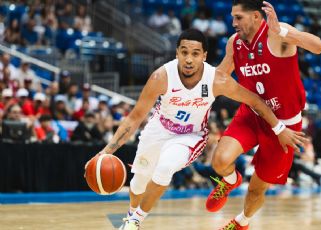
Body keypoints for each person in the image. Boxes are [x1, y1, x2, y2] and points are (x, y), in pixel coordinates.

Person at [86, 28, 307, 230]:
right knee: (138, 182)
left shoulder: (216, 80)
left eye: (195, 53)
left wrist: (279, 128)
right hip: (159, 129)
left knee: (165, 167)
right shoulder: (161, 77)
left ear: (204, 56)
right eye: (184, 52)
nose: (189, 59)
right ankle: (132, 214)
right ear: (177, 53)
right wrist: (105, 152)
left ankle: (135, 222)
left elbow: (255, 101)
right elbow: (133, 119)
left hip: (190, 136)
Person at [204, 1, 321, 229]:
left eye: (239, 17)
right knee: (219, 161)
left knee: (257, 189)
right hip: (252, 114)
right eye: (232, 17)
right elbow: (219, 76)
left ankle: (242, 222)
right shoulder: (234, 43)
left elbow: (318, 47)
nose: (233, 23)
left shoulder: (277, 35)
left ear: (256, 17)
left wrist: (284, 31)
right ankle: (230, 180)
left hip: (285, 126)